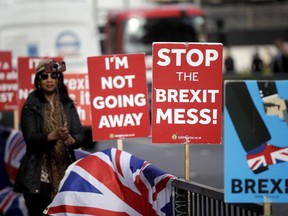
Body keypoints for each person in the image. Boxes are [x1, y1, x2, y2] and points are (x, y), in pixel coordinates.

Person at [14, 59, 85, 216]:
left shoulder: (67, 104)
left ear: (59, 79)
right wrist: (52, 136)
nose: (49, 80)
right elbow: (30, 138)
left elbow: (80, 135)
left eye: (54, 76)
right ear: (38, 80)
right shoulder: (31, 105)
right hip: (39, 174)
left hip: (65, 172)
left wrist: (70, 140)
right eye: (44, 76)